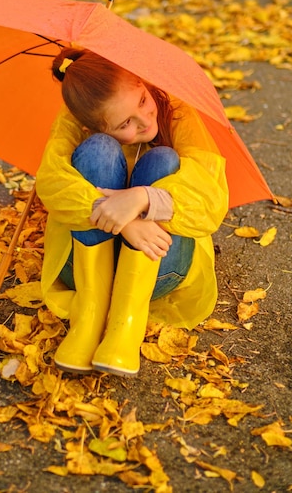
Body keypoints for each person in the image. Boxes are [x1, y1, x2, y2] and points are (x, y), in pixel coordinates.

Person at [35, 48, 229, 377]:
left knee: (163, 160)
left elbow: (210, 198)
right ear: (93, 123)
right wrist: (125, 224)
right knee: (98, 151)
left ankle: (127, 323)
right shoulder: (75, 123)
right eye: (125, 123)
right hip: (81, 272)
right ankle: (90, 317)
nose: (144, 121)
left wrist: (142, 198)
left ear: (141, 82)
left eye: (141, 101)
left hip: (159, 267)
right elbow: (53, 183)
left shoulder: (175, 112)